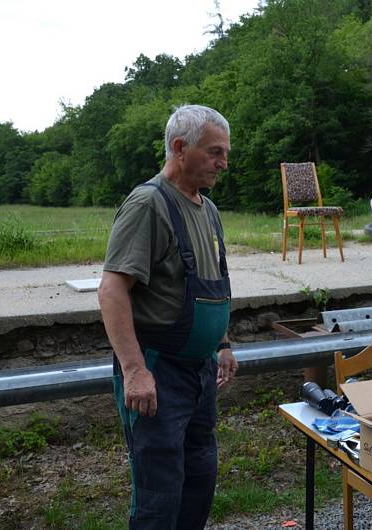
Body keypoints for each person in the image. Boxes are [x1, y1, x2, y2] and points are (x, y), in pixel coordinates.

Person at [98, 104, 238, 530]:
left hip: (201, 372)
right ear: (180, 148)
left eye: (225, 153)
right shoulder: (148, 204)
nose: (223, 163)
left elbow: (214, 282)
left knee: (199, 480)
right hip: (159, 374)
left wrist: (223, 343)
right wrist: (135, 370)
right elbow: (112, 290)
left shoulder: (207, 208)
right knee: (159, 495)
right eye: (215, 152)